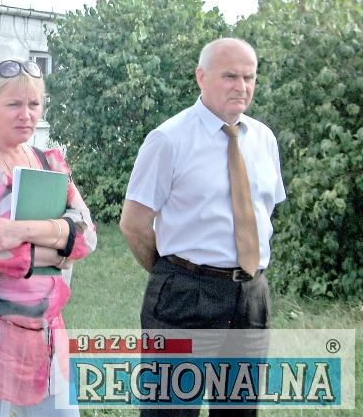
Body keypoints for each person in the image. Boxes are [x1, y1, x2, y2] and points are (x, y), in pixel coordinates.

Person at [120, 37, 286, 416]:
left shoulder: (264, 139)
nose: (241, 86)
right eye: (230, 76)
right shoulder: (168, 139)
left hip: (251, 296)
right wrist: (175, 273)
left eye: (249, 77)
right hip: (186, 296)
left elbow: (262, 214)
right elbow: (134, 224)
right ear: (201, 76)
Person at [0, 58, 98, 417]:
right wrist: (60, 246)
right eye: (13, 104)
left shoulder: (50, 161)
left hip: (48, 331)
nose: (26, 114)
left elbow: (88, 236)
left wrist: (18, 230)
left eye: (34, 104)